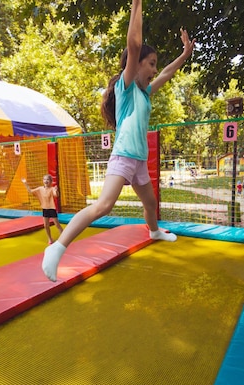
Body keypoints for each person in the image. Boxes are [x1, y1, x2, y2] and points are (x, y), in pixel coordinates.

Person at [41, 0, 195, 282]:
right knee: (103, 206)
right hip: (124, 155)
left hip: (138, 160)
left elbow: (166, 74)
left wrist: (185, 54)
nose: (153, 69)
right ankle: (57, 248)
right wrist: (137, 5)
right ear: (134, 66)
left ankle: (154, 231)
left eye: (153, 65)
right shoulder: (126, 89)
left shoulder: (146, 93)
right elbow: (134, 44)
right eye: (150, 64)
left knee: (150, 203)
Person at [22, 175, 63, 244]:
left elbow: (56, 195)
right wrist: (25, 183)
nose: (46, 181)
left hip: (51, 209)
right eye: (44, 179)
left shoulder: (52, 188)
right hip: (45, 209)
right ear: (43, 181)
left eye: (48, 180)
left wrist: (56, 191)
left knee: (57, 224)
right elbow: (30, 191)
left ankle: (63, 237)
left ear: (51, 181)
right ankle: (50, 238)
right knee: (46, 225)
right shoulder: (40, 189)